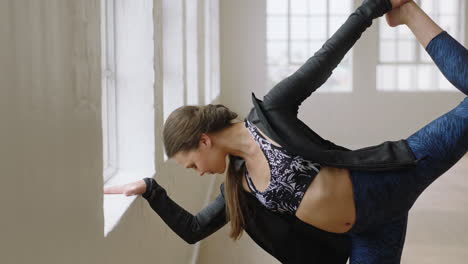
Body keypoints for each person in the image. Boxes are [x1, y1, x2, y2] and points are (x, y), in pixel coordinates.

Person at [104, 0, 467, 263]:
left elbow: (324, 60)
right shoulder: (239, 185)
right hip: (367, 237)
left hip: (394, 176)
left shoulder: (270, 113)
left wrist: (374, 7)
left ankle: (408, 12)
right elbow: (194, 228)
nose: (197, 171)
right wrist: (150, 190)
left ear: (203, 140)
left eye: (191, 163)